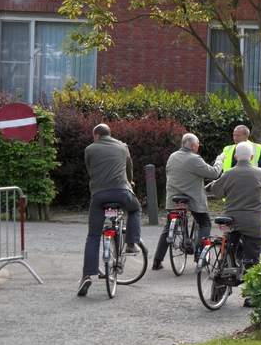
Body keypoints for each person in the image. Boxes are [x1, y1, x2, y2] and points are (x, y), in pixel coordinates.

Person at [78, 123, 142, 296]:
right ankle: (130, 244)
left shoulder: (90, 149)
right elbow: (129, 170)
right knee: (135, 210)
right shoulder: (123, 147)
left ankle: (87, 275)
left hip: (99, 195)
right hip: (122, 192)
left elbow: (90, 171)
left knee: (93, 236)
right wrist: (130, 182)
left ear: (96, 135)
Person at [209, 141, 261, 307]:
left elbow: (216, 191)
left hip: (232, 220)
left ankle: (217, 293)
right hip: (253, 221)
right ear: (252, 157)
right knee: (252, 258)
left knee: (226, 253)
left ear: (236, 157)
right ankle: (251, 297)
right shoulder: (260, 173)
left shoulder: (229, 173)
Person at [152, 133, 225, 271]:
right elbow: (214, 173)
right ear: (192, 145)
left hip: (174, 197)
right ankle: (199, 253)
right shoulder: (194, 159)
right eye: (198, 143)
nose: (198, 146)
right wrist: (219, 160)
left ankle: (157, 261)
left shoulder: (172, 157)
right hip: (192, 198)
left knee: (168, 227)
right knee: (205, 223)